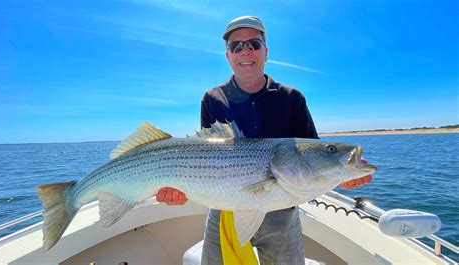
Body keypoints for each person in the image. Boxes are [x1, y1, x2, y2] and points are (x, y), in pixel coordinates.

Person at [156, 16, 372, 264]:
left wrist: (339, 174)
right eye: (236, 46)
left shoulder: (292, 98)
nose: (245, 51)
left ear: (265, 51)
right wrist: (176, 188)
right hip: (225, 209)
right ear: (228, 56)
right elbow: (205, 157)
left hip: (283, 212)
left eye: (254, 44)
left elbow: (314, 157)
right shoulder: (212, 98)